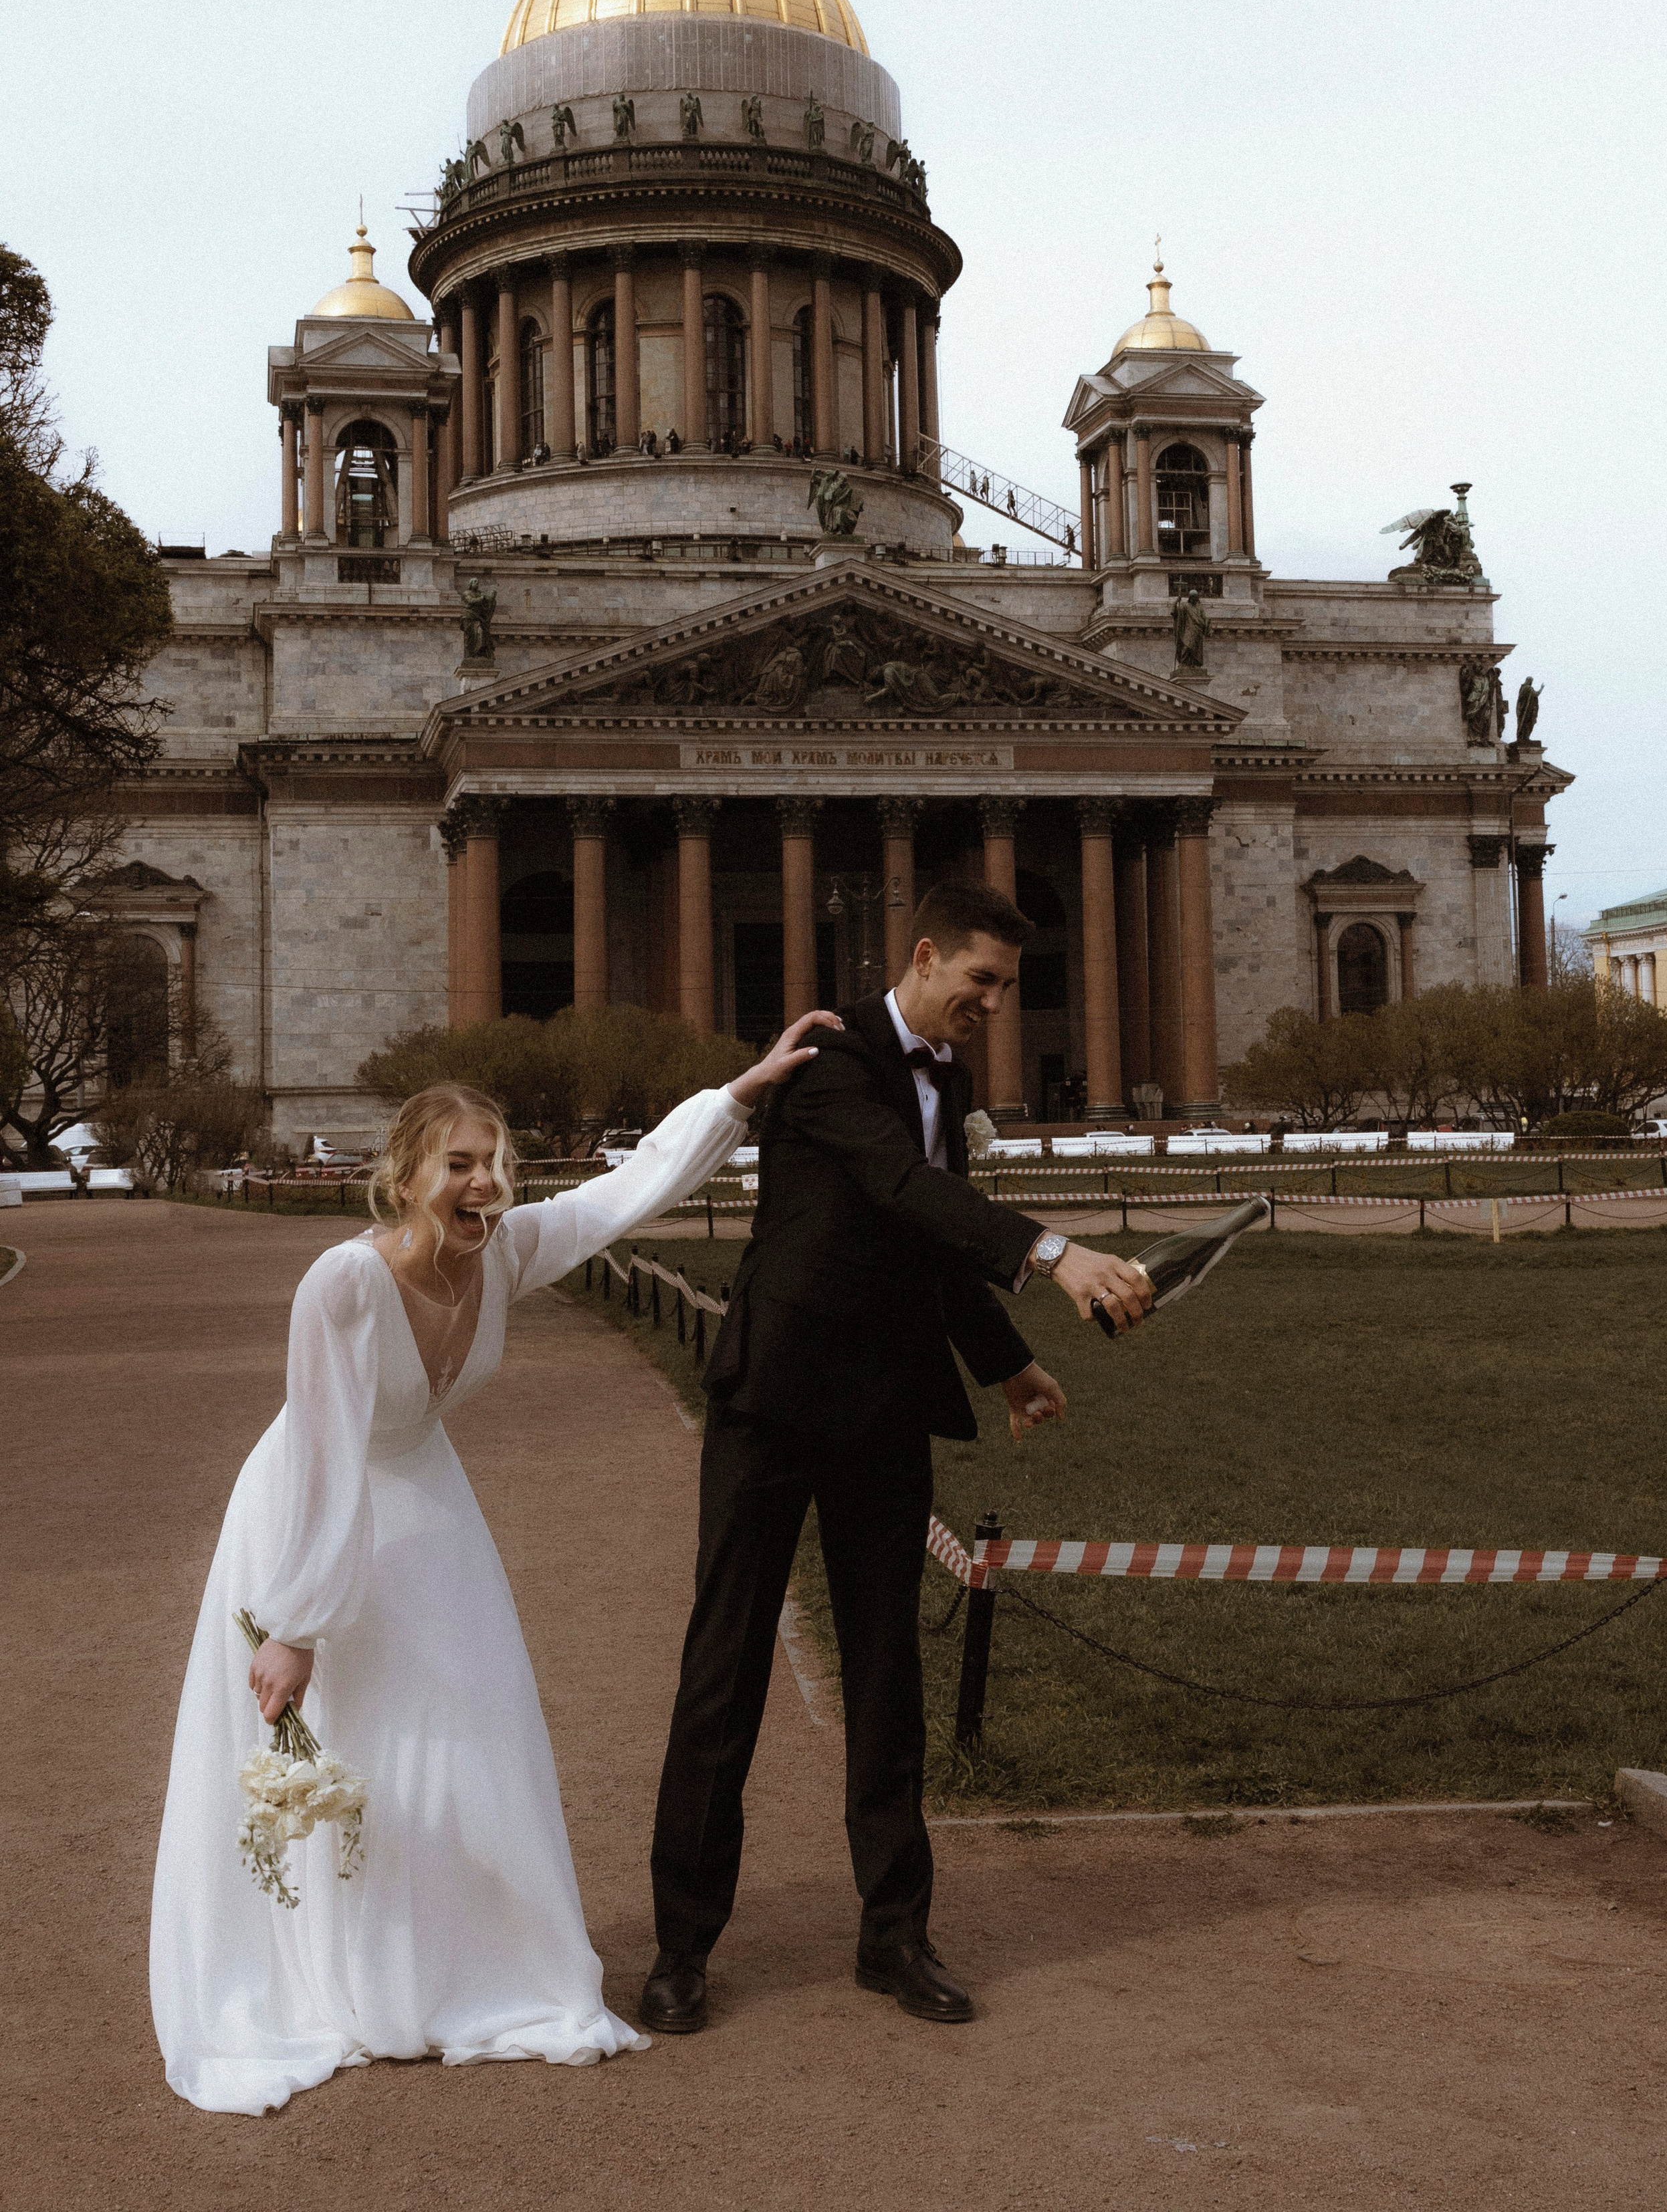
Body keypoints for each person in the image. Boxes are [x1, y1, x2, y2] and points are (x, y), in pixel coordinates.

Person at [150, 1013, 839, 2116]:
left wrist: (738, 1097)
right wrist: (293, 1625)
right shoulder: (339, 1285)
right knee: (348, 1742)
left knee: (474, 1721)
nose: (485, 1184)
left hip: (427, 1503)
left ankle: (476, 1969)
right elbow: (324, 1455)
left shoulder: (511, 1250)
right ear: (406, 1174)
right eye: (460, 1165)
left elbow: (622, 1195)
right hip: (306, 1515)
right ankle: (347, 1976)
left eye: (497, 1164)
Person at [644, 881, 1151, 2036]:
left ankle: (894, 1936)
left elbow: (926, 1235)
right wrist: (1054, 1253)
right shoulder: (825, 1054)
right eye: (981, 980)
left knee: (888, 1678)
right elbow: (898, 1183)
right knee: (723, 1674)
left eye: (1008, 988)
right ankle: (682, 1948)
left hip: (882, 1406)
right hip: (771, 1403)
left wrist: (1008, 1364)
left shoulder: (951, 1079)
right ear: (925, 957)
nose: (995, 1004)